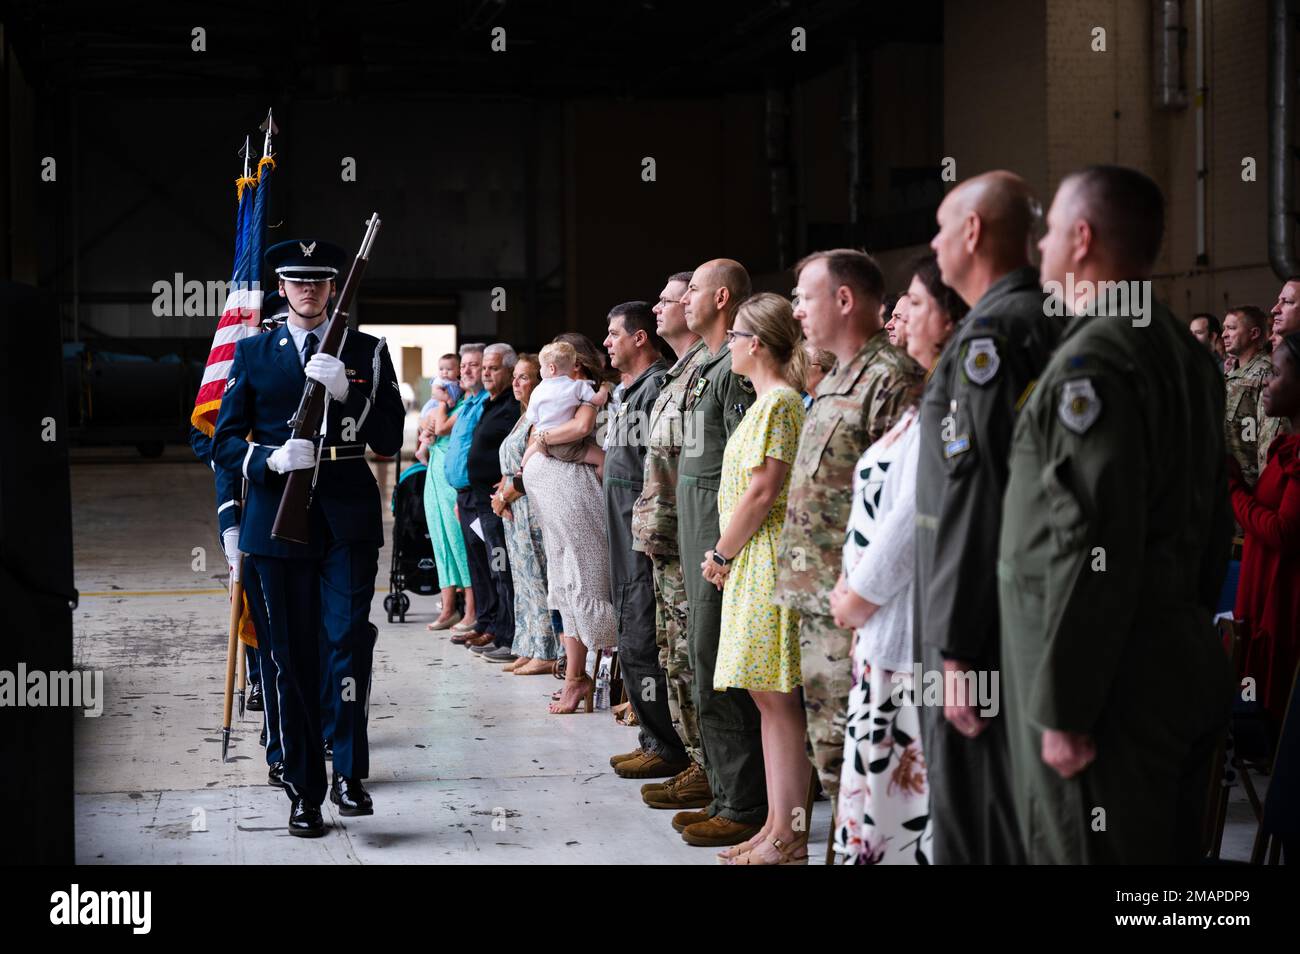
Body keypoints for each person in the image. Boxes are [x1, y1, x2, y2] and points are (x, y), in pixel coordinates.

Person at [997, 165, 1233, 864]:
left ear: (1081, 237)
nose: (1038, 250)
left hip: (1108, 687)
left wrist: (1066, 706)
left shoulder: (1094, 361)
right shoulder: (1182, 351)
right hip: (1172, 655)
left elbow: (1089, 540)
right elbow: (1213, 519)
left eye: (1048, 235)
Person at [213, 237, 404, 835]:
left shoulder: (368, 351)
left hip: (346, 517)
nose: (310, 291)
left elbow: (391, 438)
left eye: (320, 282)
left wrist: (351, 393)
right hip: (278, 523)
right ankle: (303, 788)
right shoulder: (253, 355)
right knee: (290, 658)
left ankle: (349, 773)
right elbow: (220, 441)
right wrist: (267, 460)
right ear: (281, 289)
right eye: (298, 282)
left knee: (348, 639)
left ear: (331, 289)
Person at [913, 170, 1060, 865]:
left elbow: (974, 499)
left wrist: (957, 647)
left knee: (976, 819)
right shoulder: (1040, 317)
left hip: (984, 628)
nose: (936, 246)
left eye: (943, 229)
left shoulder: (991, 337)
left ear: (972, 232)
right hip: (1015, 619)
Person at [775, 249, 923, 808]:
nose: (797, 314)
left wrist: (863, 595)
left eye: (805, 299)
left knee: (857, 769)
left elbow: (905, 505)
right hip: (817, 601)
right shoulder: (837, 378)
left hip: (861, 608)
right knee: (830, 758)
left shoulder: (893, 380)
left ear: (843, 299)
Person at [831, 256, 963, 865]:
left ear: (949, 315)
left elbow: (918, 513)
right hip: (880, 626)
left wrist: (859, 594)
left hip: (902, 628)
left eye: (912, 300)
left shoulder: (955, 397)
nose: (897, 313)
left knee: (899, 812)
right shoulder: (930, 392)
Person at [707, 293, 808, 865]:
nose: (729, 344)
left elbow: (764, 490)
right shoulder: (762, 403)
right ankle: (775, 825)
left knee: (777, 697)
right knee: (765, 696)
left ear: (758, 344)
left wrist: (721, 553)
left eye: (737, 334)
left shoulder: (781, 404)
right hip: (752, 558)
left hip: (764, 556)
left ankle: (790, 835)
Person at [672, 258, 765, 849]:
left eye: (695, 292)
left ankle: (743, 801)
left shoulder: (733, 371)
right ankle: (722, 788)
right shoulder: (706, 363)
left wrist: (728, 544)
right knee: (698, 653)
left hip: (716, 518)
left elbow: (744, 465)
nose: (684, 300)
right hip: (690, 516)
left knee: (715, 658)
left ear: (723, 297)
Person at [631, 272, 715, 812]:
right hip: (664, 535)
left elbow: (711, 466)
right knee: (672, 653)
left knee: (693, 656)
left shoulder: (716, 372)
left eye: (672, 298)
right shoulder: (682, 375)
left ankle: (712, 771)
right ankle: (691, 759)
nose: (664, 307)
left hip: (692, 538)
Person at [600, 302, 685, 779]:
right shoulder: (632, 392)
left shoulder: (655, 387)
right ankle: (652, 736)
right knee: (629, 627)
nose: (607, 342)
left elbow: (660, 467)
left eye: (614, 334)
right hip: (622, 523)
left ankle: (665, 744)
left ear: (640, 338)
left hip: (640, 528)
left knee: (639, 634)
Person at [520, 334, 618, 713]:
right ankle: (577, 676)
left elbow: (576, 432)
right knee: (563, 582)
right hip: (553, 495)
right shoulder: (556, 391)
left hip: (573, 492)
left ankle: (591, 676)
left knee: (585, 579)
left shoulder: (585, 394)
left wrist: (540, 441)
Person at [1228, 332, 1300, 729]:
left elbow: (1285, 532)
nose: (1264, 383)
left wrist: (1234, 491)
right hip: (1264, 599)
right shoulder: (1287, 445)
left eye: (1274, 374)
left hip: (1284, 607)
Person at [491, 354, 559, 673]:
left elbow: (527, 468)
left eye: (524, 377)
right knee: (522, 579)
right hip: (513, 506)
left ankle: (546, 651)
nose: (516, 383)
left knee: (537, 578)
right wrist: (502, 494)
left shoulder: (540, 416)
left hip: (529, 505)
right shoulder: (524, 414)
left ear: (539, 381)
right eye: (515, 377)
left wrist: (503, 496)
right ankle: (529, 644)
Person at [464, 344, 522, 661]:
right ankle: (499, 631)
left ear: (510, 372)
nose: (486, 373)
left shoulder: (513, 407)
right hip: (479, 501)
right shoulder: (490, 404)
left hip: (498, 502)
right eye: (484, 368)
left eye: (493, 368)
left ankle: (510, 638)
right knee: (492, 570)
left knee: (504, 570)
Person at [418, 351, 473, 632]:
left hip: (451, 479)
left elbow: (438, 425)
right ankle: (448, 607)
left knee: (458, 541)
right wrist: (430, 417)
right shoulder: (439, 400)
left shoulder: (464, 405)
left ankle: (471, 610)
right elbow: (425, 425)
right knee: (439, 541)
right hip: (433, 475)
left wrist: (438, 406)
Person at [445, 346, 493, 646]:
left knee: (491, 564)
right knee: (475, 562)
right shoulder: (468, 402)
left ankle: (493, 625)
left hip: (480, 495)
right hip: (463, 495)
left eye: (474, 365)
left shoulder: (488, 404)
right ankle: (483, 620)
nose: (466, 371)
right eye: (464, 366)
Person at [518, 341, 609, 474]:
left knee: (531, 449)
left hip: (542, 442)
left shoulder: (538, 390)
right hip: (567, 446)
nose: (540, 371)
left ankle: (521, 470)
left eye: (541, 367)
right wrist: (604, 388)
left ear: (551, 368)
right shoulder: (578, 386)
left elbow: (532, 418)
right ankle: (599, 489)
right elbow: (599, 400)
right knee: (604, 459)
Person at [1222, 305, 1273, 487]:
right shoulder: (1231, 374)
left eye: (1232, 328)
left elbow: (1271, 440)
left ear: (1254, 333)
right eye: (1224, 328)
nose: (1224, 334)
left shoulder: (1266, 373)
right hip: (1228, 485)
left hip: (1252, 486)